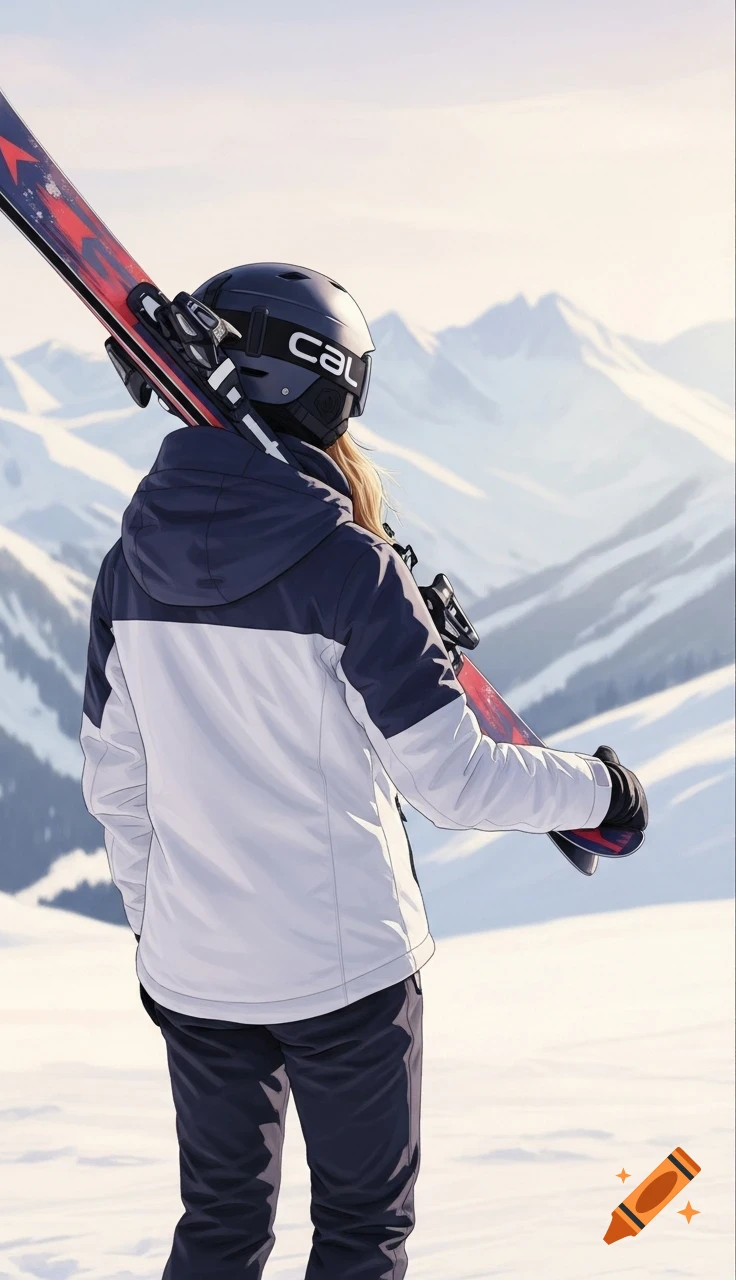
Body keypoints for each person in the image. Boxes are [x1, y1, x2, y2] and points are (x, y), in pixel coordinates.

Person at [79, 264, 648, 1279]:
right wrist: (601, 789)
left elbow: (116, 781)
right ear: (327, 382)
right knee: (357, 1233)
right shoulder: (349, 566)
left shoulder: (128, 565)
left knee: (217, 1225)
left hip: (196, 969)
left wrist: (156, 920)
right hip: (343, 976)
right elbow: (453, 781)